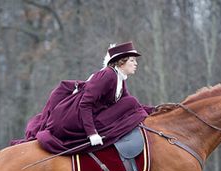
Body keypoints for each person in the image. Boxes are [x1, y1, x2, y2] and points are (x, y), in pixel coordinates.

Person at [10, 41, 154, 154]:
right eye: (132, 61)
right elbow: (85, 104)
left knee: (130, 102)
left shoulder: (119, 79)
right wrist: (92, 134)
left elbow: (132, 105)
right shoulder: (107, 75)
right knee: (130, 102)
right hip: (73, 119)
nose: (136, 64)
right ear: (121, 62)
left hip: (90, 117)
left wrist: (156, 110)